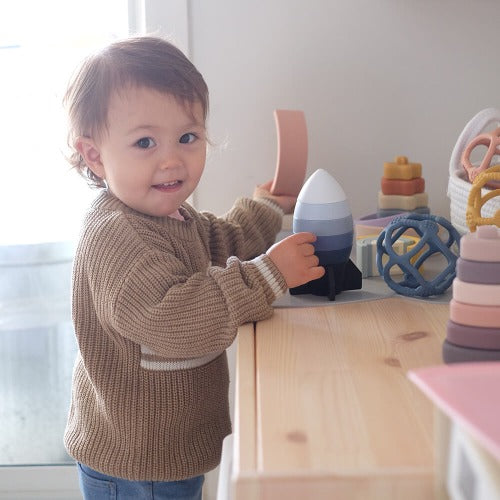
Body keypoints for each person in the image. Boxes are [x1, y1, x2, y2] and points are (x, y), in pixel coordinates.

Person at [63, 35, 324, 499]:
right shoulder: (116, 237)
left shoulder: (167, 217)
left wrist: (266, 207)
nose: (171, 159)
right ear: (96, 156)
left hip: (167, 450)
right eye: (145, 142)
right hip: (136, 460)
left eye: (188, 137)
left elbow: (218, 242)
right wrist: (269, 274)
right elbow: (177, 318)